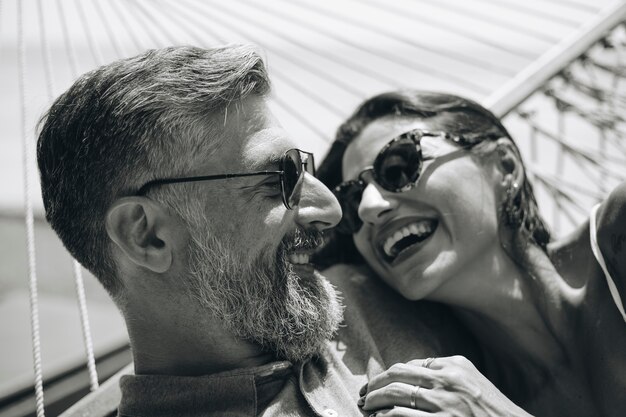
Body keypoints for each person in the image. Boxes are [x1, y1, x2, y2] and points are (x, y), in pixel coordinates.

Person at [37, 47, 474, 416]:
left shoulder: (390, 287)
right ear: (145, 235)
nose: (331, 209)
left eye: (302, 169)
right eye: (277, 178)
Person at [316, 90, 626, 417]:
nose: (369, 208)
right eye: (352, 202)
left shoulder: (617, 237)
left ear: (504, 166)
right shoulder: (452, 393)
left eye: (398, 167)